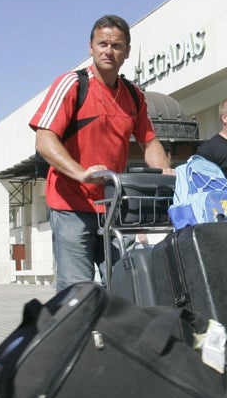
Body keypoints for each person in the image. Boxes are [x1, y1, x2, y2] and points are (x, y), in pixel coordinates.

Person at [29, 15, 172, 291]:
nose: (109, 51)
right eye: (102, 44)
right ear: (91, 47)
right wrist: (81, 174)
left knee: (129, 285)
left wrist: (164, 172)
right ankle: (77, 332)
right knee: (77, 292)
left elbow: (149, 142)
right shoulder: (72, 84)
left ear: (127, 52)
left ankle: (116, 334)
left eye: (116, 45)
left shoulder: (134, 96)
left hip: (112, 206)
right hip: (70, 204)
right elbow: (44, 139)